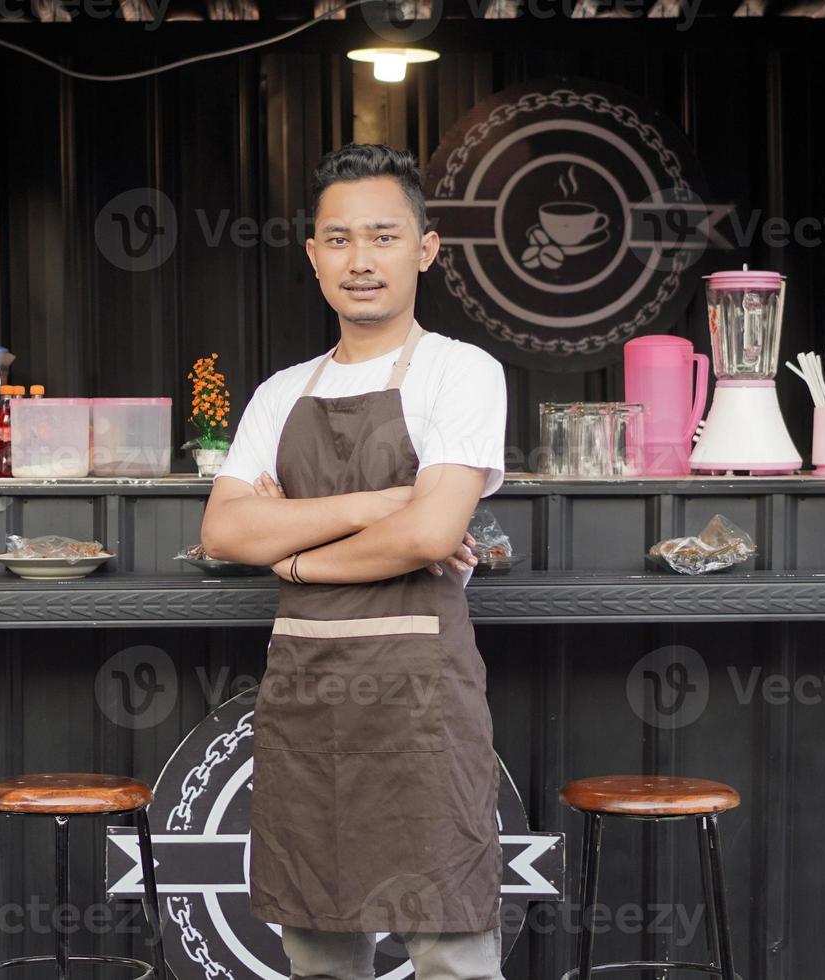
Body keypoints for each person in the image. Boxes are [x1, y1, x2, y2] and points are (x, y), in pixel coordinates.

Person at [199, 143, 508, 980]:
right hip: (307, 694)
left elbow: (430, 535)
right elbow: (225, 534)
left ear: (425, 248)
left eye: (382, 236)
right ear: (313, 256)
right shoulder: (279, 393)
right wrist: (381, 502)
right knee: (318, 948)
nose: (360, 261)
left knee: (451, 950)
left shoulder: (462, 372)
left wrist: (295, 555)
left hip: (422, 698)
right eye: (338, 240)